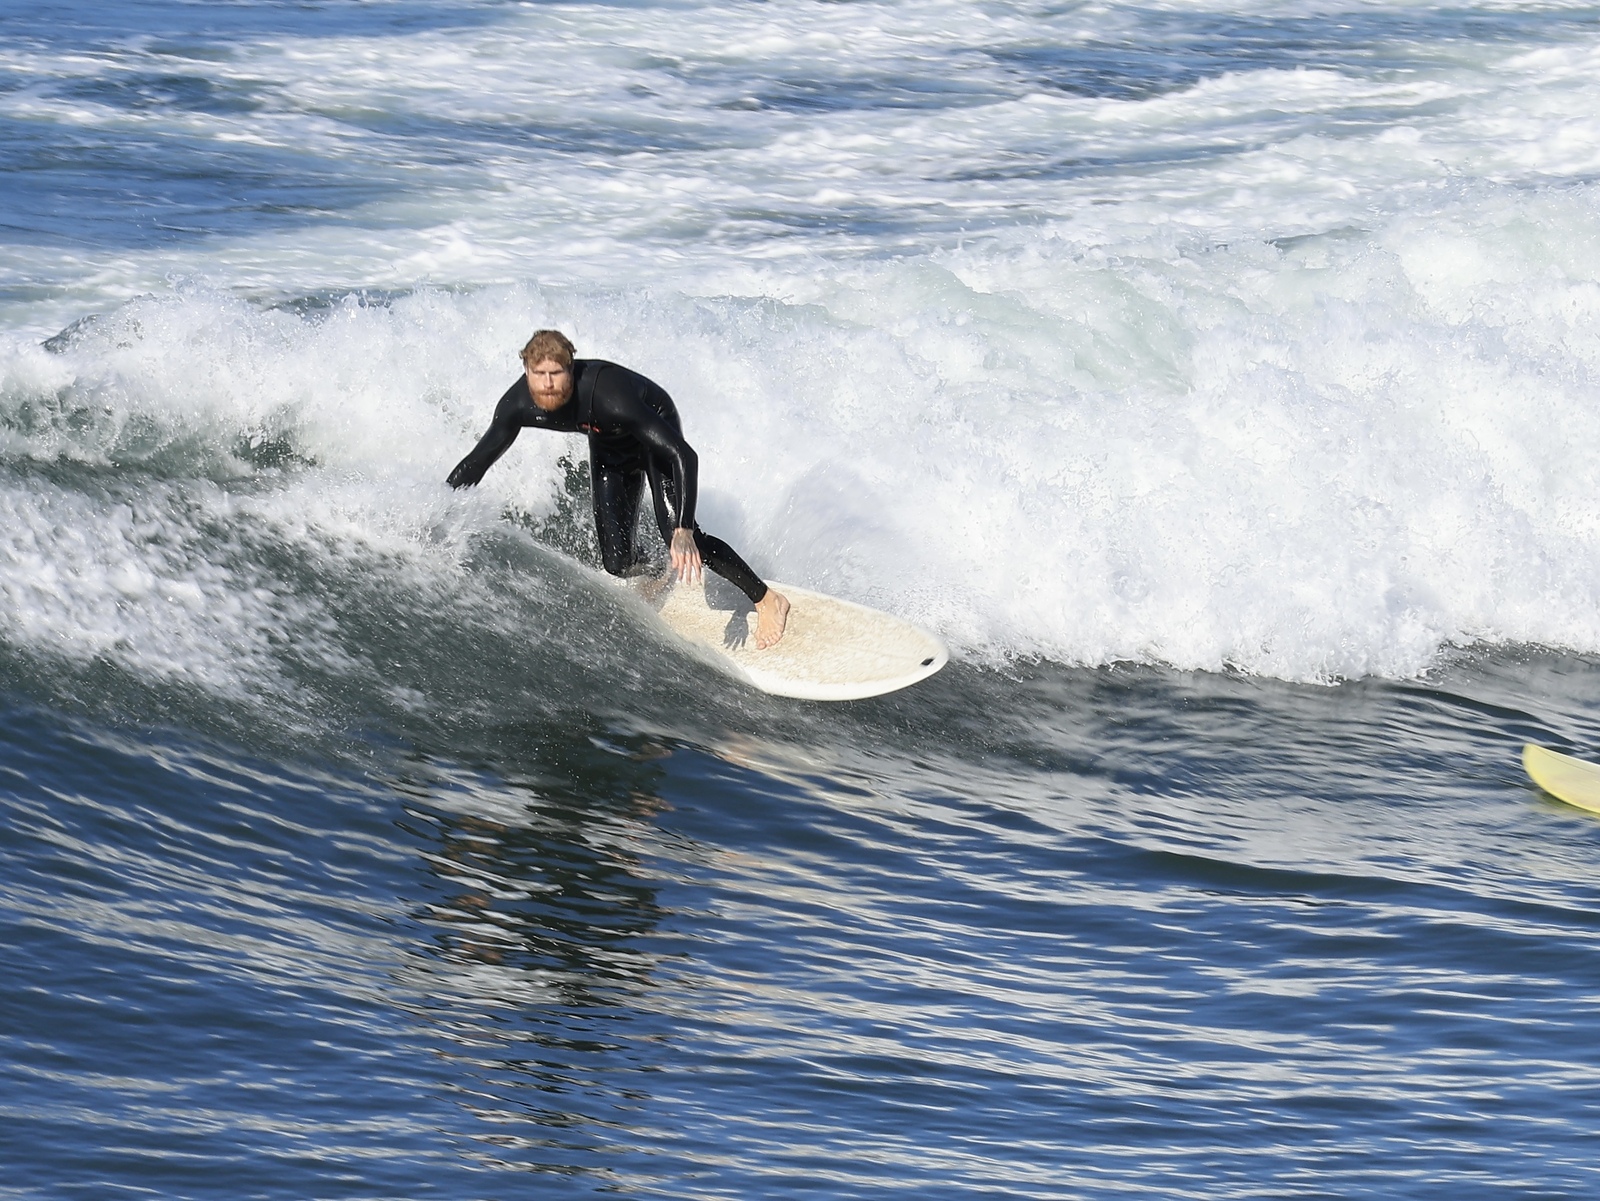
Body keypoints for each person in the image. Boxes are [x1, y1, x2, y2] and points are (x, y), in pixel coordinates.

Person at [447, 329, 790, 648]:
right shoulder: (518, 404)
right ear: (526, 370)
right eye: (540, 374)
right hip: (609, 445)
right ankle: (658, 568)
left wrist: (683, 528)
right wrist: (440, 506)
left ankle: (765, 598)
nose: (548, 384)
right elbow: (479, 460)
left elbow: (684, 455)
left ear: (571, 369)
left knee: (683, 537)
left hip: (654, 433)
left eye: (557, 373)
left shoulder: (609, 395)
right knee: (617, 562)